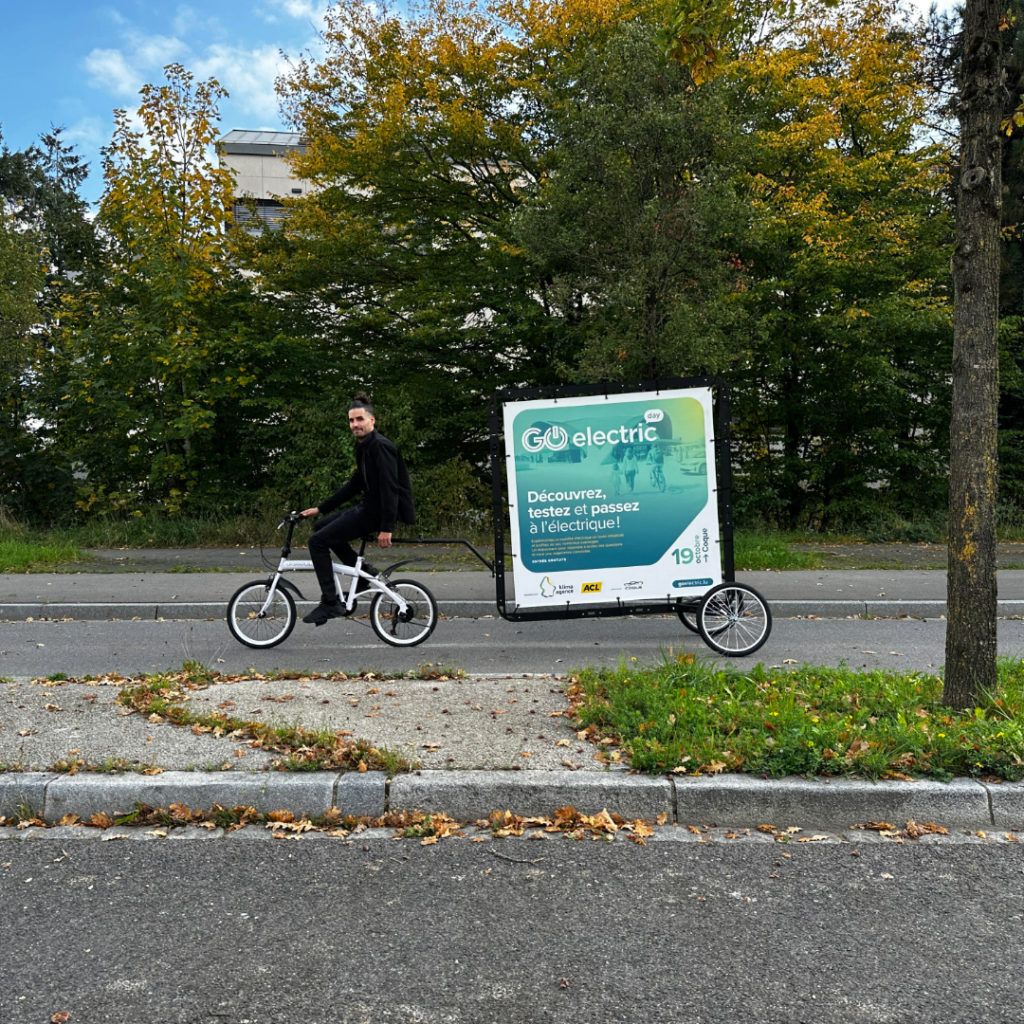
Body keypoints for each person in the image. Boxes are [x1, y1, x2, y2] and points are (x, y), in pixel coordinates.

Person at [300, 392, 415, 626]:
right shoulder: (365, 448)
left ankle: (330, 601)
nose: (355, 425)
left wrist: (387, 527)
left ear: (372, 420)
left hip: (377, 512)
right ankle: (361, 574)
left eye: (359, 419)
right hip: (369, 507)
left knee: (317, 542)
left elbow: (390, 488)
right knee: (321, 528)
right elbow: (354, 484)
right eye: (351, 421)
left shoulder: (380, 447)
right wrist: (321, 509)